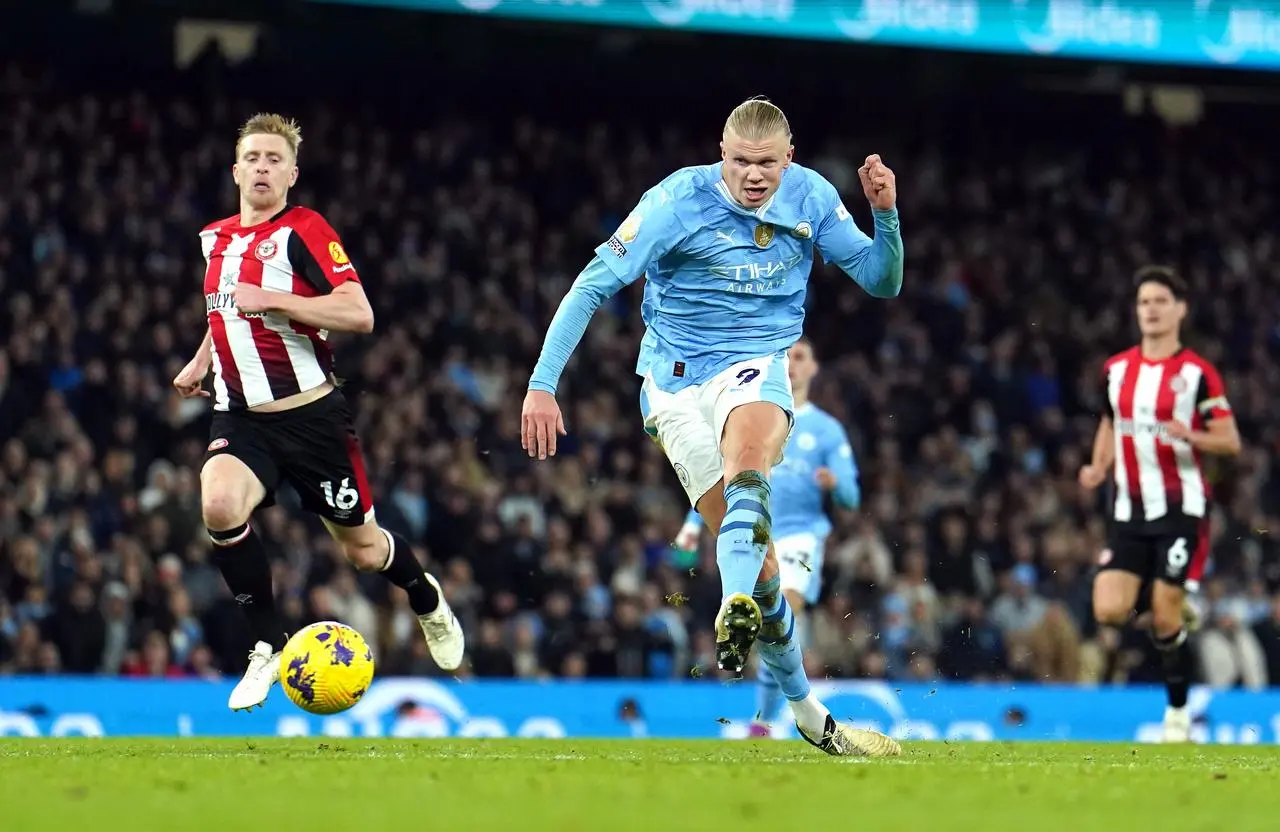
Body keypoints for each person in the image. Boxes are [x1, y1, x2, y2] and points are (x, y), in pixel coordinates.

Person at [521, 97, 903, 757]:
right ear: (720, 154)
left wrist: (886, 216)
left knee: (750, 462)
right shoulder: (675, 202)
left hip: (757, 365)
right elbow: (590, 287)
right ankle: (809, 713)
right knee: (763, 568)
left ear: (790, 157)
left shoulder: (810, 196)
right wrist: (541, 384)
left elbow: (881, 281)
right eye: (741, 162)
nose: (754, 176)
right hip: (671, 389)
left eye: (767, 164)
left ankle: (731, 608)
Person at [172, 113, 465, 711]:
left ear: (292, 174)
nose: (261, 167)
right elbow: (227, 311)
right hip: (239, 417)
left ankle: (425, 595)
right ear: (235, 169)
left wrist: (274, 299)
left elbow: (359, 313)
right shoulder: (213, 238)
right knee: (219, 503)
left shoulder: (303, 230)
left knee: (361, 552)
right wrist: (202, 358)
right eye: (252, 157)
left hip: (312, 421)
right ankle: (264, 647)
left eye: (274, 160)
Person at [1079, 265, 1241, 742]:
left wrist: (1190, 434)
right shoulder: (1116, 369)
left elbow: (1230, 440)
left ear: (1180, 310)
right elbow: (1110, 422)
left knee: (1165, 614)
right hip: (1129, 509)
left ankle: (1177, 715)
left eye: (1160, 301)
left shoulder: (1196, 374)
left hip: (1180, 508)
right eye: (1144, 302)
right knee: (1108, 610)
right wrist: (1097, 465)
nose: (1150, 310)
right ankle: (1165, 593)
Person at [673, 337, 859, 737]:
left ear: (814, 368)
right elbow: (721, 478)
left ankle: (764, 721)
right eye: (787, 355)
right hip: (753, 533)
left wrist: (835, 484)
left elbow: (853, 496)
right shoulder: (745, 405)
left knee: (784, 601)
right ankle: (780, 711)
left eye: (802, 357)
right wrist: (691, 527)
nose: (792, 363)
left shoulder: (827, 430)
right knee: (766, 607)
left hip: (800, 538)